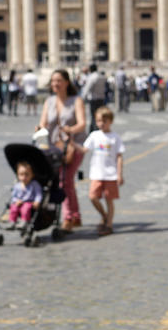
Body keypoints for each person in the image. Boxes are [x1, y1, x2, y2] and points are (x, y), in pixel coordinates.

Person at [38, 69, 86, 231]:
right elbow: (43, 122)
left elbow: (82, 124)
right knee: (65, 182)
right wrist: (39, 128)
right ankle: (75, 216)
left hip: (74, 146)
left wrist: (69, 130)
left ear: (67, 82)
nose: (55, 84)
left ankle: (67, 218)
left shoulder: (76, 101)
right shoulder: (49, 102)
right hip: (55, 148)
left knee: (65, 181)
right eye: (53, 81)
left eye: (58, 80)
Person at [77, 106, 124, 236]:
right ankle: (104, 215)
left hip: (110, 174)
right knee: (93, 197)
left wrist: (119, 174)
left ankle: (109, 225)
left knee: (109, 200)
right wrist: (71, 143)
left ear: (110, 121)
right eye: (98, 121)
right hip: (96, 173)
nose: (101, 124)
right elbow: (84, 149)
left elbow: (119, 157)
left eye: (104, 121)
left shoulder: (115, 137)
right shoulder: (94, 135)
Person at [4, 160, 42, 230]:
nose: (24, 177)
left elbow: (38, 194)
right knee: (13, 208)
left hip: (29, 202)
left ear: (32, 174)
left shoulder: (34, 184)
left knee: (26, 208)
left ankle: (24, 221)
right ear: (18, 175)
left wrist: (37, 201)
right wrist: (16, 201)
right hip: (18, 202)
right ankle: (12, 221)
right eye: (21, 174)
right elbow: (14, 196)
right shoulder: (17, 185)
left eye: (27, 174)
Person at [83, 63, 104, 131]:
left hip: (93, 99)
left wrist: (83, 98)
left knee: (94, 116)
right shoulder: (101, 76)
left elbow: (87, 88)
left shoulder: (92, 77)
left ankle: (94, 130)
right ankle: (95, 129)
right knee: (100, 115)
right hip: (101, 98)